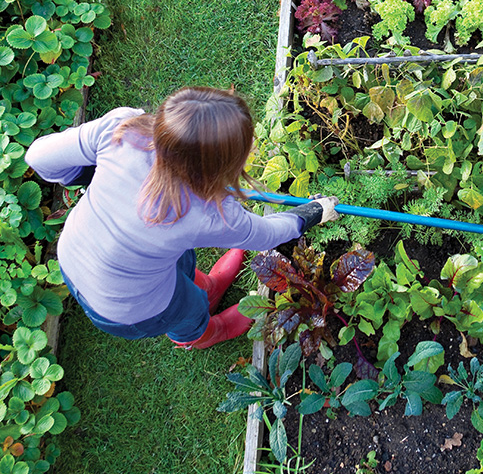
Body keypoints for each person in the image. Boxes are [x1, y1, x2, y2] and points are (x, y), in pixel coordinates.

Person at [25, 87, 338, 349]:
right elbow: (269, 235)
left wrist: (89, 174)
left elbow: (38, 157)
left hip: (75, 256)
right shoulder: (210, 214)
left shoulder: (121, 128)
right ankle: (205, 333)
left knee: (175, 257)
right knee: (186, 310)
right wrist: (311, 213)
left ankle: (210, 287)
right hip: (124, 306)